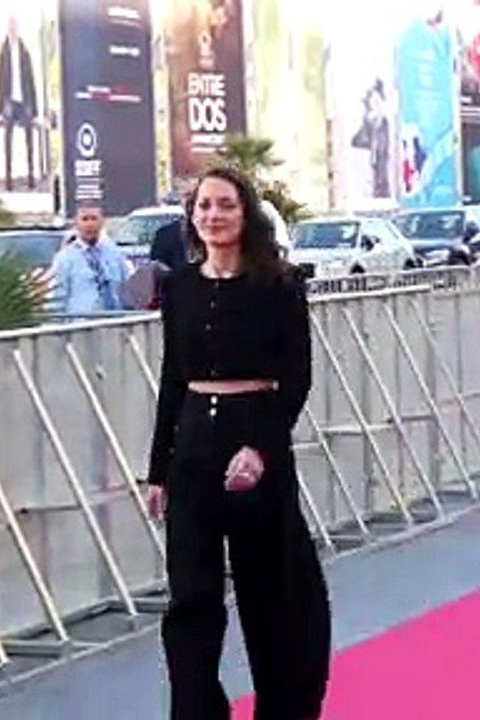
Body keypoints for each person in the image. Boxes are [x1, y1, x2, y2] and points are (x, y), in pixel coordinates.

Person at [146, 165, 331, 719]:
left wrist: (261, 449)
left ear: (245, 213)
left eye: (225, 205)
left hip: (257, 434)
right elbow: (172, 381)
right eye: (204, 206)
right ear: (191, 216)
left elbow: (296, 377)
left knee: (272, 595)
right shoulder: (178, 287)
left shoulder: (279, 284)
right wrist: (157, 470)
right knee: (191, 600)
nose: (213, 216)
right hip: (193, 447)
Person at [49, 202, 129, 315]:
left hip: (114, 323)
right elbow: (57, 296)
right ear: (76, 223)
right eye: (85, 219)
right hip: (82, 325)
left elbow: (127, 288)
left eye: (94, 219)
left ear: (102, 222)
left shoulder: (115, 254)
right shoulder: (64, 258)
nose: (90, 224)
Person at [0, 14, 38, 191]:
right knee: (8, 139)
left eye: (14, 26)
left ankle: (31, 176)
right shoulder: (4, 51)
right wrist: (0, 105)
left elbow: (30, 79)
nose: (12, 29)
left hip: (24, 100)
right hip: (9, 100)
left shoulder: (24, 51)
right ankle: (8, 179)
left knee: (29, 138)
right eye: (10, 26)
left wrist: (33, 106)